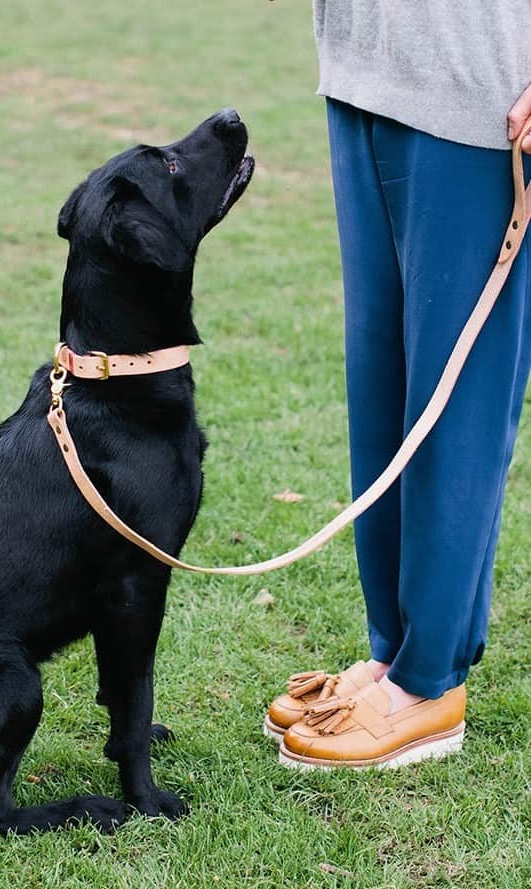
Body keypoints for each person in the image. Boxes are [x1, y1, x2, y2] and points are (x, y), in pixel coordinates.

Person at [266, 1, 531, 769]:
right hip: (365, 65)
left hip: (481, 92)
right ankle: (389, 655)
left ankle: (428, 680)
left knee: (455, 406)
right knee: (381, 385)